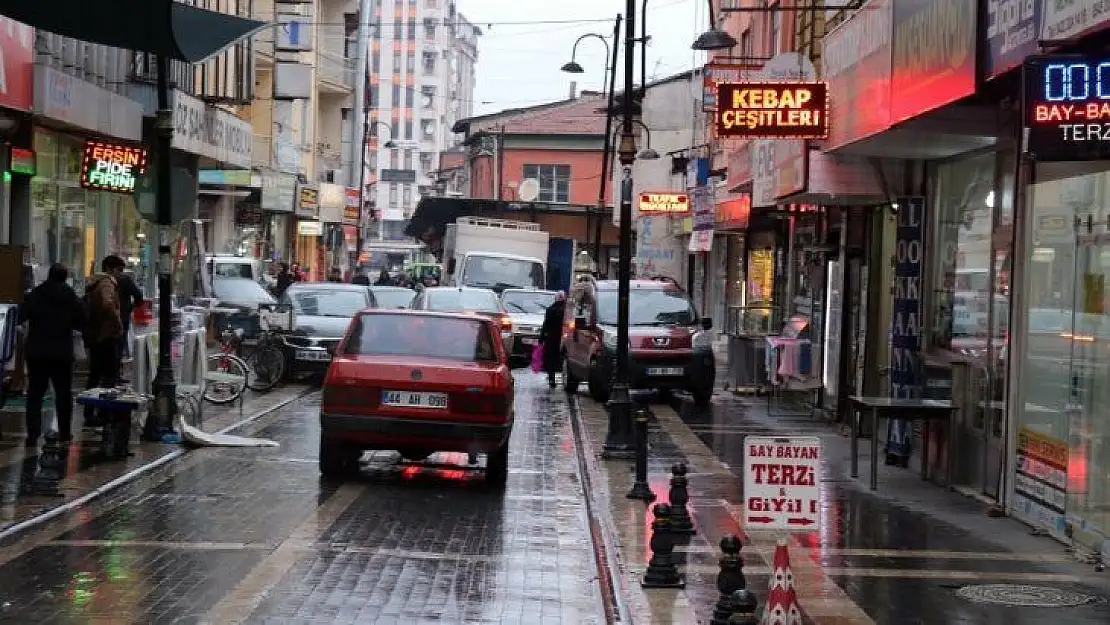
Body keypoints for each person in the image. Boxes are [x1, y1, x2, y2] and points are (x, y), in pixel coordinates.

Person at [18, 264, 85, 445]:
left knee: (35, 394)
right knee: (63, 393)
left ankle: (32, 435)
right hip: (61, 352)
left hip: (37, 351)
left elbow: (21, 315)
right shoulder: (71, 296)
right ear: (64, 277)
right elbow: (81, 321)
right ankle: (64, 432)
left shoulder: (36, 294)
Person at [83, 255, 126, 427]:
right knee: (109, 375)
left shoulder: (95, 283)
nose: (121, 274)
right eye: (119, 270)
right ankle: (103, 411)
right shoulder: (107, 283)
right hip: (106, 335)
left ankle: (89, 411)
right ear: (111, 269)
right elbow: (108, 304)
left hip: (96, 335)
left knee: (95, 375)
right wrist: (117, 322)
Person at [538, 290, 567, 388]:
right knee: (562, 358)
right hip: (564, 338)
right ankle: (564, 378)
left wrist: (541, 339)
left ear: (555, 298)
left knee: (551, 359)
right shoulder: (566, 310)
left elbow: (546, 325)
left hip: (551, 338)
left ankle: (552, 379)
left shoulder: (550, 309)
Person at [116, 269, 143, 360]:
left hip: (107, 318)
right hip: (122, 316)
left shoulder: (103, 280)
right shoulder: (125, 280)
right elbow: (138, 296)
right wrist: (130, 307)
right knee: (120, 342)